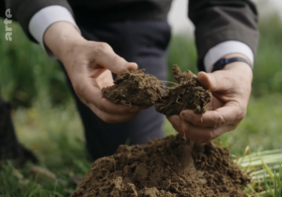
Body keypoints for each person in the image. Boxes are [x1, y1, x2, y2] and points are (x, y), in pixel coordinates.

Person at [3, 0, 258, 161]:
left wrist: (234, 64)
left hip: (134, 14)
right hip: (51, 6)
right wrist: (65, 40)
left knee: (130, 153)